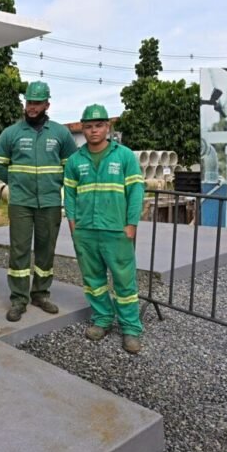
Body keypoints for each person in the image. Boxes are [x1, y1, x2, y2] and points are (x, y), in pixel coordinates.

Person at [0, 81, 77, 322]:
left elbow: (70, 164)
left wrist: (55, 183)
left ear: (47, 104)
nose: (32, 107)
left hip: (50, 201)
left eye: (37, 103)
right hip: (21, 202)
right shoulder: (11, 133)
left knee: (46, 249)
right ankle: (19, 299)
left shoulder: (60, 133)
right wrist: (17, 182)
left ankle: (40, 294)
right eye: (29, 102)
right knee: (19, 250)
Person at [63, 104, 145, 354]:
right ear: (83, 129)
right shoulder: (75, 160)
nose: (94, 130)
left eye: (99, 125)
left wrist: (131, 224)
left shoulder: (125, 156)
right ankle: (102, 319)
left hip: (116, 230)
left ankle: (130, 328)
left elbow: (136, 192)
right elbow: (70, 195)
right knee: (93, 280)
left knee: (124, 281)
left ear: (107, 127)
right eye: (88, 126)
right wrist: (73, 225)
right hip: (86, 231)